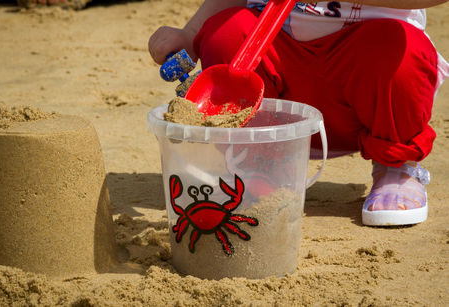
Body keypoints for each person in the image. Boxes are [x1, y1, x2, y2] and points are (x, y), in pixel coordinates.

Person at [148, 0, 449, 226]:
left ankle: (396, 168)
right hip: (279, 79)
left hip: (369, 84)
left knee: (397, 47)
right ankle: (260, 164)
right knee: (226, 32)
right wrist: (190, 32)